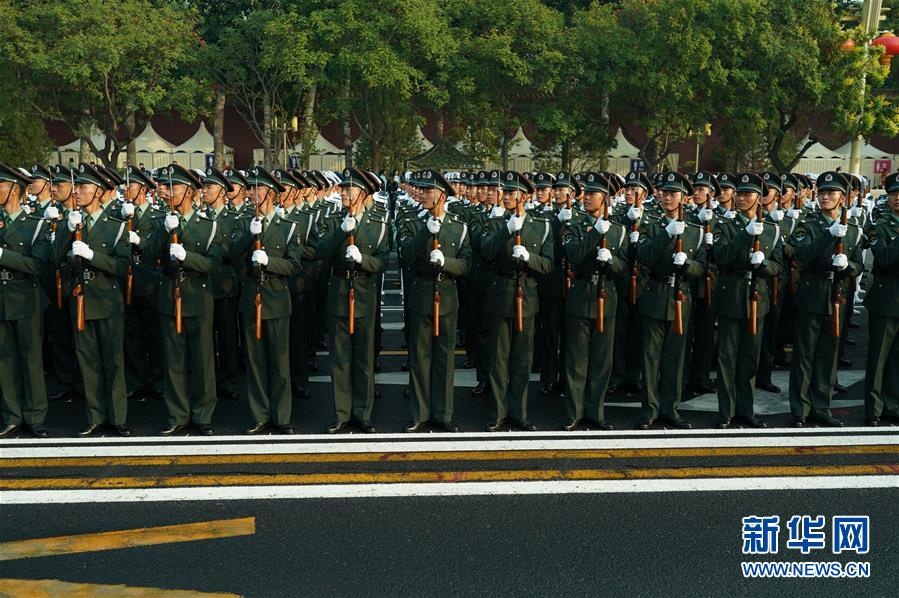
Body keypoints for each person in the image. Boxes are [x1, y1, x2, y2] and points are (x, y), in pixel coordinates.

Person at [52, 163, 131, 437]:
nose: (78, 192)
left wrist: (92, 256)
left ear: (98, 192)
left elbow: (122, 266)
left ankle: (118, 416)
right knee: (87, 360)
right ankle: (95, 415)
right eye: (77, 187)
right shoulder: (73, 223)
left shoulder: (115, 227)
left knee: (113, 360)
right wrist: (66, 229)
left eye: (83, 187)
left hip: (106, 299)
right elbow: (55, 259)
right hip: (81, 300)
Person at [144, 164, 223, 435]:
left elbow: (214, 264)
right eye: (164, 187)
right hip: (169, 298)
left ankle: (203, 415)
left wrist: (186, 256)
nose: (165, 192)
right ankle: (177, 414)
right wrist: (166, 231)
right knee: (173, 361)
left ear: (189, 191)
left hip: (198, 298)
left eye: (172, 187)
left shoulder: (209, 225)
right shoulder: (162, 221)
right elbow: (148, 254)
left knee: (202, 361)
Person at [313, 167, 390, 434]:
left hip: (365, 295)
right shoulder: (334, 220)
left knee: (363, 359)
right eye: (343, 188)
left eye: (349, 189)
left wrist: (362, 260)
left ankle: (363, 413)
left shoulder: (378, 223)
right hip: (339, 294)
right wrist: (341, 233)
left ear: (363, 193)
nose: (344, 192)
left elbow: (382, 260)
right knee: (340, 359)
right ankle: (342, 413)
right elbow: (320, 252)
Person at [397, 169, 471, 432]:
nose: (424, 195)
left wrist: (447, 263)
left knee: (444, 358)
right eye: (424, 190)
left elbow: (466, 264)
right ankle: (419, 413)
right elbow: (404, 255)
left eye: (429, 191)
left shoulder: (459, 227)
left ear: (442, 196)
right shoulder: (415, 223)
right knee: (420, 357)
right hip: (422, 294)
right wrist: (425, 233)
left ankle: (443, 414)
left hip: (448, 297)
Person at [480, 171, 555, 432]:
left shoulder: (541, 225)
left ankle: (519, 412)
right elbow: (486, 252)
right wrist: (506, 230)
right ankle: (498, 412)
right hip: (501, 293)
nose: (507, 196)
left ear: (525, 196)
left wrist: (529, 258)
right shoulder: (495, 221)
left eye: (512, 193)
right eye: (506, 192)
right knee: (498, 359)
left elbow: (547, 264)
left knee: (522, 360)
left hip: (528, 295)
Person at [788, 171, 863, 427]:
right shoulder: (808, 224)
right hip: (812, 291)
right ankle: (800, 408)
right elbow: (802, 255)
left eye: (831, 193)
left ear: (843, 197)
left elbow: (859, 265)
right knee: (804, 354)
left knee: (828, 355)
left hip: (838, 295)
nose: (825, 197)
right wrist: (827, 235)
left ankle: (821, 406)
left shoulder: (852, 229)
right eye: (822, 192)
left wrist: (848, 266)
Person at [231, 166, 303, 434]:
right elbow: (233, 256)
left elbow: (294, 265)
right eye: (250, 188)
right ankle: (260, 414)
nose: (251, 193)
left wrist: (269, 262)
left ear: (270, 194)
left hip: (276, 299)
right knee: (255, 361)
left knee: (279, 361)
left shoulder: (287, 227)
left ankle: (282, 416)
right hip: (251, 298)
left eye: (257, 189)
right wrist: (251, 235)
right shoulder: (244, 223)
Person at [636, 171, 707, 430]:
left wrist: (687, 265)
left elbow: (702, 268)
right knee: (650, 357)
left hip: (680, 297)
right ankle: (650, 410)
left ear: (684, 199)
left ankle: (670, 408)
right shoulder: (651, 224)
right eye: (664, 193)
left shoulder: (696, 231)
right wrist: (666, 233)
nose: (667, 197)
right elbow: (644, 256)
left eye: (673, 194)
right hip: (655, 295)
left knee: (675, 358)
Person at [713, 173, 784, 428]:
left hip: (758, 297)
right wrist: (745, 234)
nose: (742, 198)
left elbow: (779, 266)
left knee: (750, 359)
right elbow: (720, 257)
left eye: (748, 194)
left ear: (759, 198)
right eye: (739, 194)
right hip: (732, 294)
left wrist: (765, 265)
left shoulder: (772, 229)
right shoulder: (725, 225)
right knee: (727, 358)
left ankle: (746, 409)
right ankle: (726, 411)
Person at [561, 172, 627, 430]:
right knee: (577, 359)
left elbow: (624, 266)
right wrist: (594, 235)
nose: (587, 198)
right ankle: (574, 412)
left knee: (601, 361)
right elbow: (574, 255)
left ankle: (595, 412)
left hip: (606, 295)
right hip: (581, 293)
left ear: (606, 199)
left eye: (593, 194)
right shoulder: (574, 225)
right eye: (586, 194)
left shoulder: (618, 229)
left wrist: (612, 260)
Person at [0, 163, 51, 438]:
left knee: (30, 358)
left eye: (1, 186)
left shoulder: (35, 225)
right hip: (1, 297)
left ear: (15, 191)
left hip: (25, 297)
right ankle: (11, 415)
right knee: (4, 360)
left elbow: (40, 265)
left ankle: (35, 415)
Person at [862, 171, 899, 426]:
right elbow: (884, 259)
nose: (898, 199)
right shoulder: (879, 225)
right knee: (878, 358)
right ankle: (873, 408)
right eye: (895, 194)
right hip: (886, 299)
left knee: (897, 358)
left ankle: (892, 404)